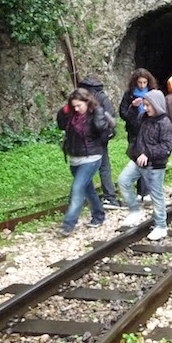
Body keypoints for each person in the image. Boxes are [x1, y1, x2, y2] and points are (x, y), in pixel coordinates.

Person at [117, 89, 172, 241]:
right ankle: (135, 210)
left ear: (157, 105)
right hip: (138, 160)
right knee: (123, 181)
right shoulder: (144, 117)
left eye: (149, 105)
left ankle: (161, 226)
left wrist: (148, 153)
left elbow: (167, 146)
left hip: (154, 166)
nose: (146, 108)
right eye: (145, 105)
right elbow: (131, 122)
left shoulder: (165, 123)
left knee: (156, 196)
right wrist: (134, 107)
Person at [56, 88, 114, 236]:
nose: (77, 109)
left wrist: (99, 114)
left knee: (77, 189)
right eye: (74, 106)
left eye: (79, 105)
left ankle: (68, 224)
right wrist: (65, 110)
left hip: (92, 157)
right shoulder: (71, 116)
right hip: (75, 158)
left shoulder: (96, 113)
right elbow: (61, 124)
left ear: (87, 102)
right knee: (88, 189)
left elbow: (103, 130)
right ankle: (99, 216)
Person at [77, 76, 122, 209]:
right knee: (104, 167)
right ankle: (110, 197)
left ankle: (82, 196)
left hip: (86, 137)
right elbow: (110, 114)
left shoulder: (82, 98)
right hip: (100, 137)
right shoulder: (101, 97)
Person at [119, 68, 157, 203]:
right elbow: (122, 113)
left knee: (147, 158)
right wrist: (133, 107)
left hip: (148, 130)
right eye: (139, 82)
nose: (142, 85)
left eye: (144, 82)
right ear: (135, 82)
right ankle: (140, 190)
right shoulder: (129, 95)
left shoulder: (153, 93)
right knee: (136, 159)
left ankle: (145, 190)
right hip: (134, 131)